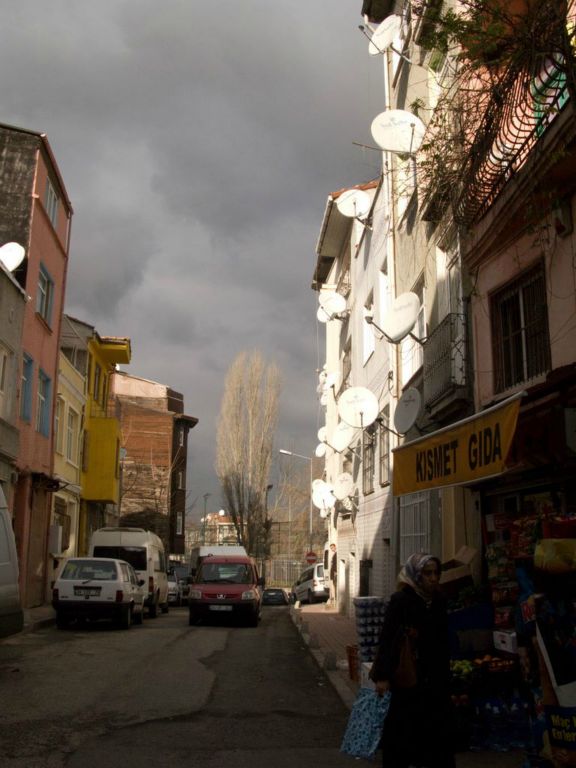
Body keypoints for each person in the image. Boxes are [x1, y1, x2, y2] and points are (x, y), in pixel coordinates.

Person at [369, 553, 455, 768]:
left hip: (434, 680)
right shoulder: (402, 601)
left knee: (436, 737)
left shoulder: (439, 601)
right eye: (428, 573)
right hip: (408, 681)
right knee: (403, 735)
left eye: (436, 573)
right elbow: (388, 639)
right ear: (416, 575)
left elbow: (444, 640)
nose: (433, 578)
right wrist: (382, 676)